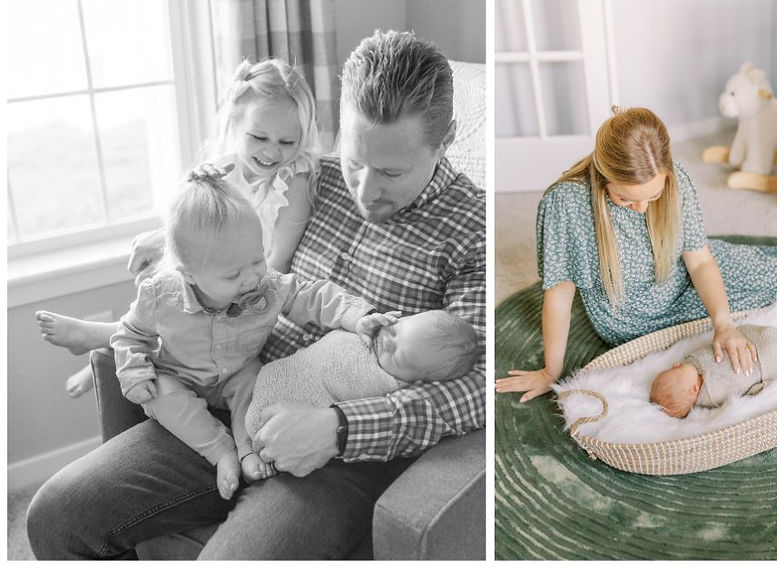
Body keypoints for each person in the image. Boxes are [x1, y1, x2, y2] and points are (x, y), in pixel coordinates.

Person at [27, 30, 486, 560]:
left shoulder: (472, 229)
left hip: (340, 457)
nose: (363, 189)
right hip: (229, 395)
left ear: (445, 137)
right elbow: (228, 200)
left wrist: (337, 429)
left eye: (390, 172)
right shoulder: (310, 176)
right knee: (56, 516)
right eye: (356, 160)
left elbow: (474, 389)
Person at [494, 108, 777, 405]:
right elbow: (557, 294)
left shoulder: (675, 181)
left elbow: (701, 260)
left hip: (691, 276)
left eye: (653, 196)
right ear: (603, 176)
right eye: (630, 200)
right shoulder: (565, 206)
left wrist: (723, 322)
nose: (644, 209)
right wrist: (551, 370)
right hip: (641, 317)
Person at [36, 58, 323, 398]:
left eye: (286, 142)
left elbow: (279, 261)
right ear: (233, 123)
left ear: (301, 139)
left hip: (248, 289)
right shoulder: (221, 169)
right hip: (209, 277)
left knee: (184, 309)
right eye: (259, 136)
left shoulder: (294, 182)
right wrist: (165, 231)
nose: (272, 151)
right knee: (162, 283)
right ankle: (116, 343)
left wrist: (230, 288)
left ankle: (105, 339)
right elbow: (193, 235)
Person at [112, 172, 383, 500]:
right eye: (232, 274)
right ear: (189, 274)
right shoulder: (160, 296)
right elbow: (129, 335)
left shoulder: (265, 285)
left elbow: (311, 296)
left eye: (257, 258)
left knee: (254, 386)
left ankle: (247, 449)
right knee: (160, 395)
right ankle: (220, 452)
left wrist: (358, 316)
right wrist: (134, 372)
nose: (252, 276)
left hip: (238, 373)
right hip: (178, 374)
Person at [245, 310, 482, 437]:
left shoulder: (386, 385)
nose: (387, 341)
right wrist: (361, 320)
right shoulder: (373, 328)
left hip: (288, 417)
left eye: (398, 355)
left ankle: (247, 449)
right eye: (397, 329)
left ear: (413, 380)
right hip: (255, 371)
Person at [649, 322, 777, 417]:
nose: (675, 364)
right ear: (693, 390)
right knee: (762, 363)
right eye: (676, 370)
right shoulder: (713, 395)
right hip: (767, 359)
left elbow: (708, 352)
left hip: (755, 339)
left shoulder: (694, 363)